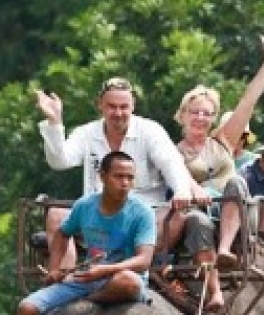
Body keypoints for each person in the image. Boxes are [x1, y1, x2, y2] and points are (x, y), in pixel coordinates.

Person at [36, 76, 193, 267]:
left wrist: (182, 190)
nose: (118, 113)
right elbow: (60, 161)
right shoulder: (86, 133)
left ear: (133, 106)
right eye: (112, 106)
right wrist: (54, 123)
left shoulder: (150, 131)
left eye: (124, 107)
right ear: (100, 106)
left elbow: (172, 163)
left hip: (143, 215)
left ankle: (133, 267)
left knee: (177, 216)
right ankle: (66, 280)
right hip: (97, 215)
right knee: (55, 215)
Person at [167, 35, 264, 269]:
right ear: (183, 114)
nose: (200, 118)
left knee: (236, 183)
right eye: (195, 112)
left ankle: (226, 249)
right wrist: (196, 190)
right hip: (199, 212)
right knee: (195, 216)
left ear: (213, 118)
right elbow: (178, 176)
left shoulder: (223, 140)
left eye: (207, 113)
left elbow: (248, 101)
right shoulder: (171, 151)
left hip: (236, 211)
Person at [16, 151, 155, 315]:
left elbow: (144, 260)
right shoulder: (85, 205)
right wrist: (55, 268)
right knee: (26, 310)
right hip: (85, 278)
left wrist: (103, 270)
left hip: (119, 278)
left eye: (130, 178)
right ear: (102, 177)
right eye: (119, 177)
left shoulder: (142, 212)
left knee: (129, 282)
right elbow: (62, 233)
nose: (125, 184)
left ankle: (82, 303)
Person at [187, 126, 264, 311]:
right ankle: (224, 249)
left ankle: (227, 249)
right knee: (235, 191)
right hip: (227, 227)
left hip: (252, 232)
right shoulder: (245, 175)